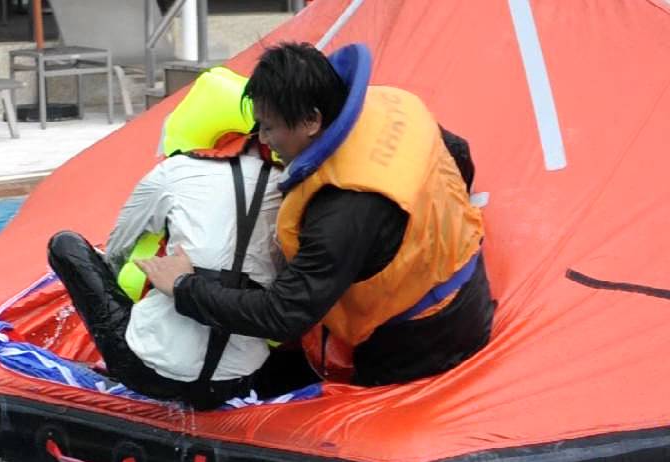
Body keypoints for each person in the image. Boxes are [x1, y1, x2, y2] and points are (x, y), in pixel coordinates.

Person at [137, 42, 494, 387]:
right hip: (467, 275)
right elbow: (459, 155)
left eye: (270, 126)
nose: (263, 138)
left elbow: (284, 315)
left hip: (426, 336)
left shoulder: (343, 208)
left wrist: (184, 287)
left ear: (311, 121)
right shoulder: (394, 104)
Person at [47, 137, 282, 410]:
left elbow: (118, 249)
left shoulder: (175, 169)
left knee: (64, 244)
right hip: (239, 378)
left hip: (147, 371)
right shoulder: (284, 182)